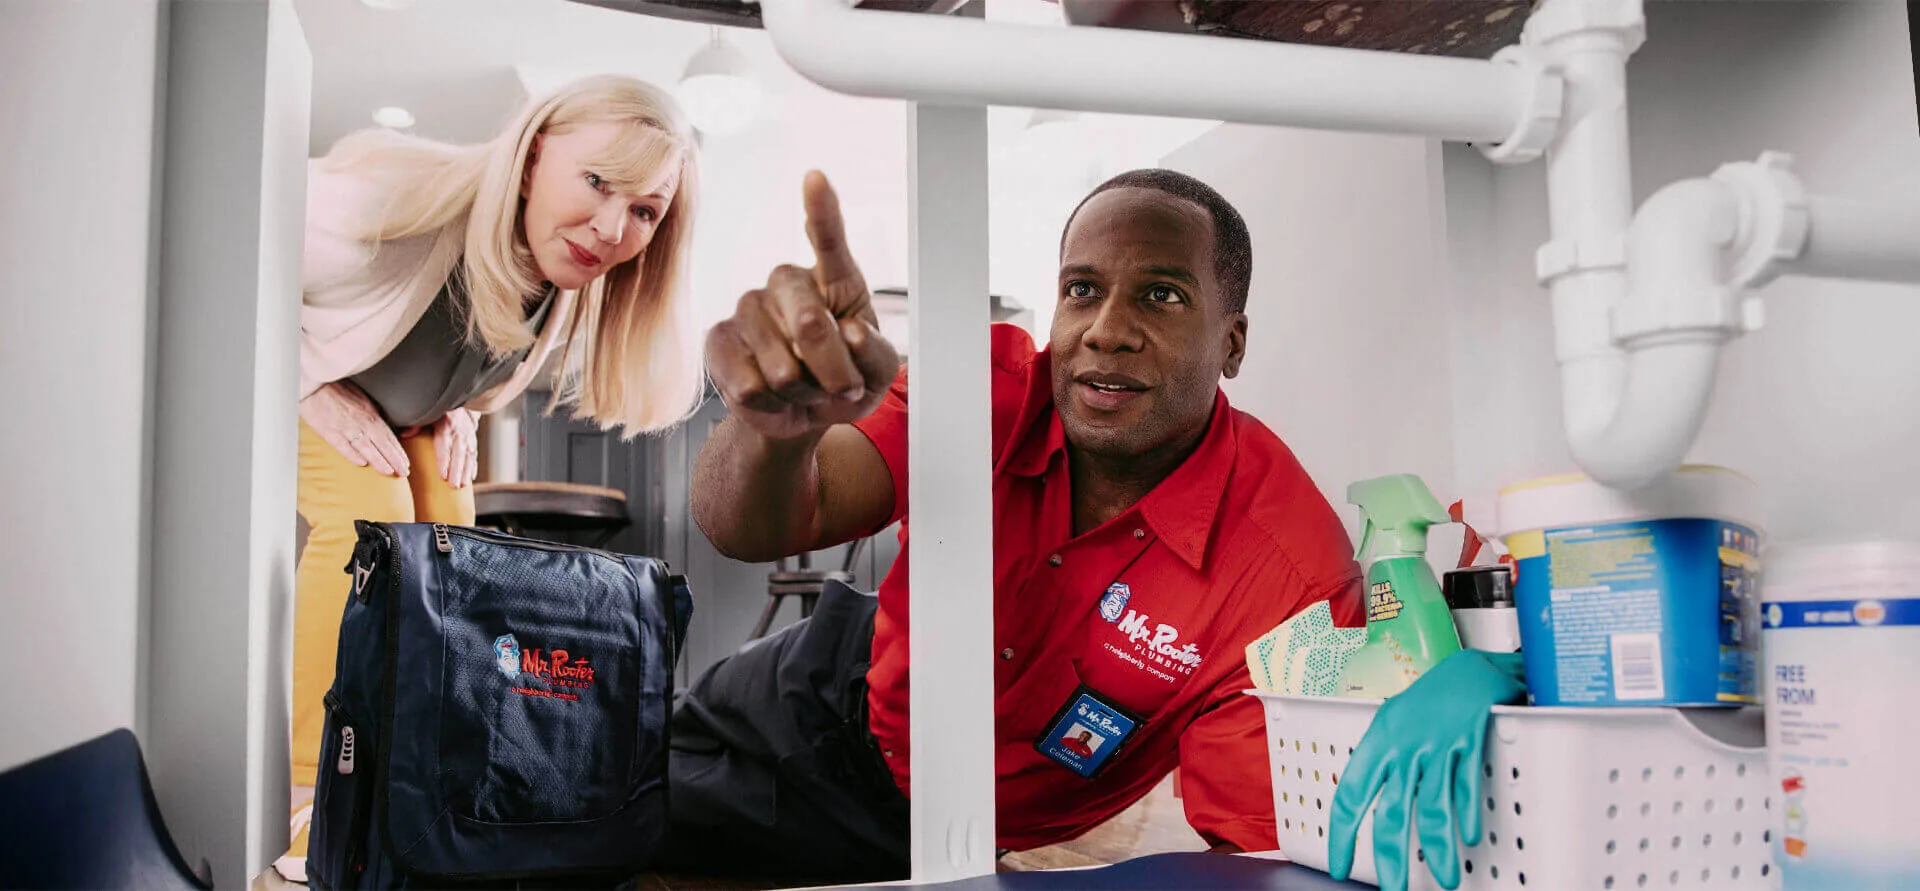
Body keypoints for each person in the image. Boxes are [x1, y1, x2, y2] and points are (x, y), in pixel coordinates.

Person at [669, 168, 1363, 881]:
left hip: (966, 834)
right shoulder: (986, 389)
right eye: (1081, 289)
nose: (1107, 330)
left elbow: (1264, 852)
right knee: (600, 790)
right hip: (834, 685)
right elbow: (746, 527)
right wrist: (775, 433)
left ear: (1233, 343)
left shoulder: (1294, 579)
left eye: (1162, 295)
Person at [282, 74, 701, 877]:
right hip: (290, 402)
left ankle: (418, 778)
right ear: (536, 150)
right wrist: (303, 377)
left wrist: (457, 408)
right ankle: (315, 797)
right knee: (371, 526)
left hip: (398, 418)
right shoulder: (383, 201)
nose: (614, 227)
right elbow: (230, 239)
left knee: (450, 549)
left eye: (646, 210)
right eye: (597, 181)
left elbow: (453, 342)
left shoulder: (563, 276)